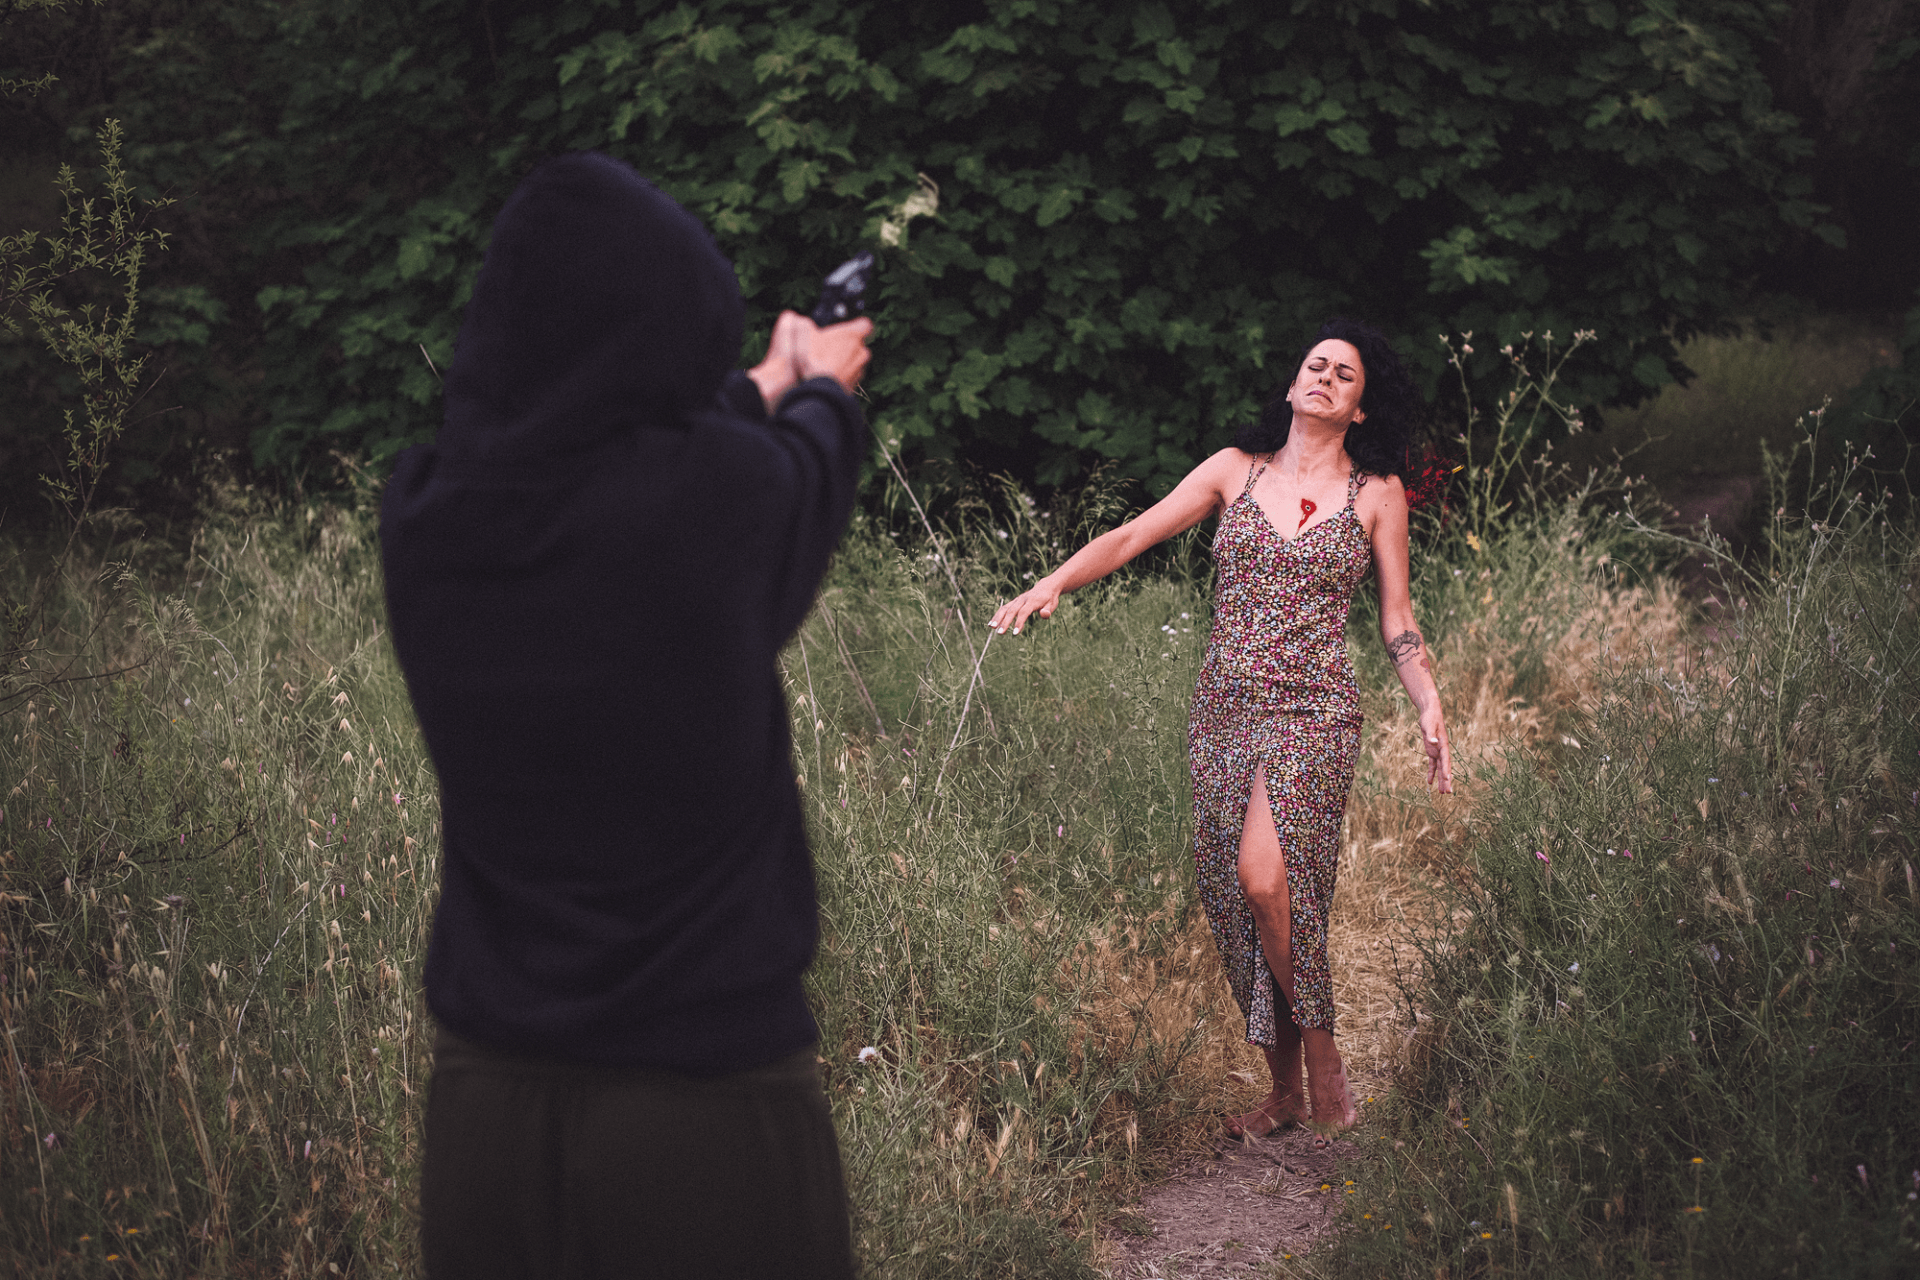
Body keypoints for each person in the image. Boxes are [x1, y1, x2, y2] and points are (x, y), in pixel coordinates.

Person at [380, 152, 872, 1279]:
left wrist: (766, 377)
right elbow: (800, 466)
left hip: (485, 1107)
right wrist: (824, 384)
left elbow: (589, 443)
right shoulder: (718, 502)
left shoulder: (427, 515)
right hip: (704, 1105)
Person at [989, 319, 1452, 1142]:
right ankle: (1283, 1092)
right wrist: (1053, 582)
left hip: (1315, 711)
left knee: (1267, 879)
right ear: (1291, 385)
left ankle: (1327, 1069)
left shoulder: (1377, 493)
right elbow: (1134, 533)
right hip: (1224, 711)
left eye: (1344, 375)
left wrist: (1427, 700)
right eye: (1315, 366)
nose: (1325, 378)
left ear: (1360, 408)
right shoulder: (1235, 470)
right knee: (1240, 905)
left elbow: (1397, 618)